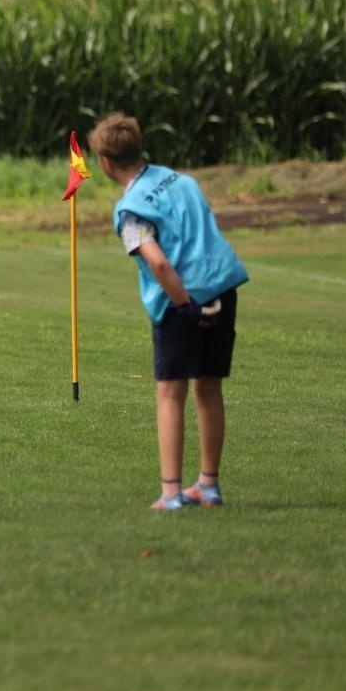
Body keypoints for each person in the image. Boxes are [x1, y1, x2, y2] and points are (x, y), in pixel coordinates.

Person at [89, 112, 249, 511]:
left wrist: (185, 306)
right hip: (223, 286)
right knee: (209, 387)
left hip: (183, 300)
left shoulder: (131, 209)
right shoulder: (183, 181)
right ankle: (208, 486)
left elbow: (158, 263)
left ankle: (171, 492)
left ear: (106, 163)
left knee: (170, 393)